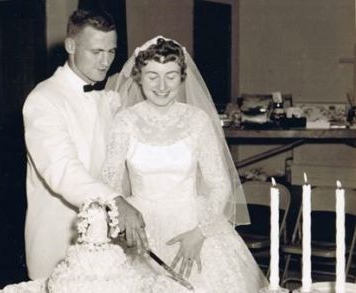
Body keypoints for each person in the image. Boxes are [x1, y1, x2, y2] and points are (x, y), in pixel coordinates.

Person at [102, 36, 268, 292]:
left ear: (182, 77)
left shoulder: (197, 120)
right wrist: (123, 225)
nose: (161, 85)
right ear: (138, 77)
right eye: (152, 75)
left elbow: (220, 185)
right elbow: (109, 182)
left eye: (170, 75)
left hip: (194, 225)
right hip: (140, 225)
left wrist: (199, 233)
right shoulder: (124, 121)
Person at [22, 9, 148, 279]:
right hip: (60, 241)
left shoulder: (109, 99)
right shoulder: (44, 99)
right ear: (71, 45)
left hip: (107, 241)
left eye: (112, 52)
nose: (106, 62)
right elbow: (62, 170)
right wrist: (116, 202)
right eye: (96, 51)